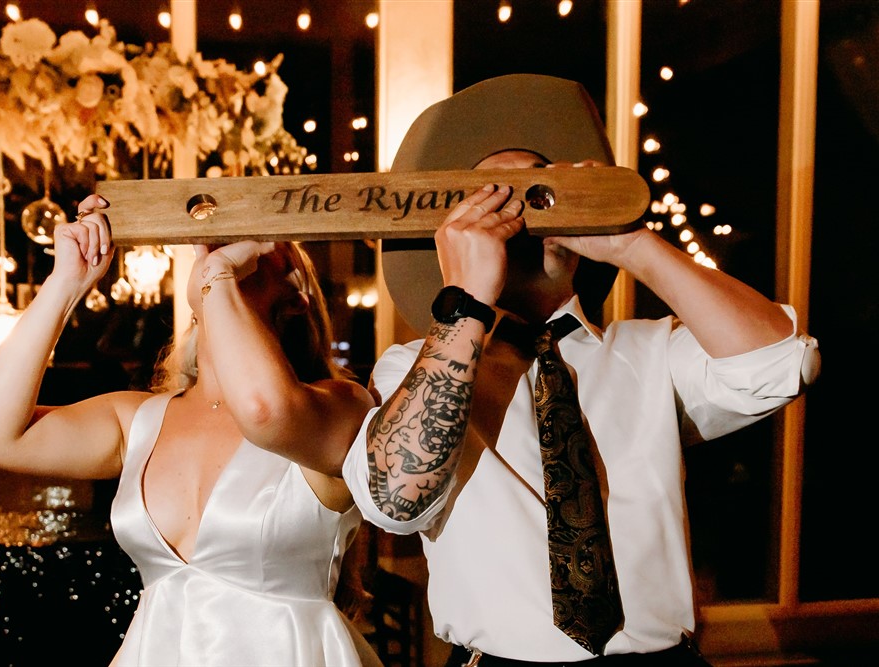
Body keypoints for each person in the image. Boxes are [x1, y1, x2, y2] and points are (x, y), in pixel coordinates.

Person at [342, 73, 821, 665]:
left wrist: (631, 242)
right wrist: (465, 298)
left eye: (538, 192)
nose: (519, 211)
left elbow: (780, 364)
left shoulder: (654, 353)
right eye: (495, 198)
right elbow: (395, 498)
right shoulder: (411, 369)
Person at [0, 193, 383, 666]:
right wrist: (66, 284)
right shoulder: (138, 420)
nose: (224, 241)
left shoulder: (341, 406)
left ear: (297, 291)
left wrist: (217, 279)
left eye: (257, 235)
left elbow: (264, 409)